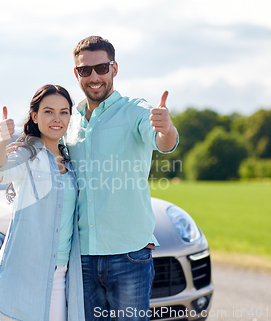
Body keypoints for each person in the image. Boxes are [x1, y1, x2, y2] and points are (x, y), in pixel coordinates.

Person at [64, 36, 179, 321]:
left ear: (114, 68)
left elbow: (163, 142)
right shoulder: (70, 120)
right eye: (85, 70)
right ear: (76, 73)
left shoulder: (135, 111)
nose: (94, 77)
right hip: (82, 257)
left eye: (101, 68)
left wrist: (167, 129)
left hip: (129, 256)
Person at [0, 84, 85, 321]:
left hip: (62, 273)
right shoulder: (27, 154)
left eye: (64, 112)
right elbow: (0, 172)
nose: (57, 118)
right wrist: (1, 142)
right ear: (35, 116)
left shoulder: (72, 159)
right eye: (48, 111)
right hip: (26, 272)